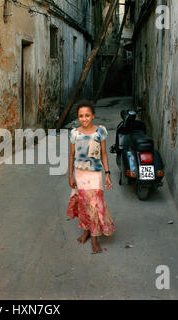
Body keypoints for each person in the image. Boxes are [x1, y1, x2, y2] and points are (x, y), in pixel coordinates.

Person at [67, 100, 115, 254]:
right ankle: (86, 231)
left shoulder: (100, 131)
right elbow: (72, 155)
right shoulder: (74, 133)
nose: (84, 118)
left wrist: (107, 173)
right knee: (83, 204)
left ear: (93, 116)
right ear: (78, 117)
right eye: (81, 116)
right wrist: (70, 176)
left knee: (94, 204)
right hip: (80, 174)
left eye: (87, 115)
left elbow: (104, 153)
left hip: (95, 174)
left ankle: (95, 238)